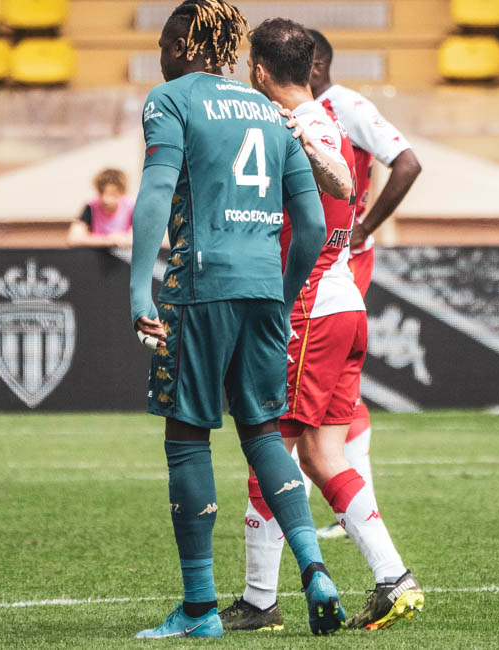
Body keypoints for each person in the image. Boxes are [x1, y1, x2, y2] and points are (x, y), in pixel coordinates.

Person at [128, 0, 345, 639]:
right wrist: (283, 294)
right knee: (262, 433)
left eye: (163, 45)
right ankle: (314, 568)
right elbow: (312, 224)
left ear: (180, 44)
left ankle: (200, 610)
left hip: (199, 286)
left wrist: (139, 292)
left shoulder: (170, 100)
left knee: (187, 437)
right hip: (263, 288)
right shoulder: (271, 111)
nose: (160, 58)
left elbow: (155, 192)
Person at [219, 18, 424, 633]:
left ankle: (260, 601)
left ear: (259, 72)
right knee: (320, 453)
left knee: (268, 451)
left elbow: (293, 222)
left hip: (308, 309)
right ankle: (393, 577)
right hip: (344, 302)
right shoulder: (328, 120)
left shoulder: (292, 130)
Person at [307, 27, 422, 540]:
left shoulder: (345, 106)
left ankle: (334, 503)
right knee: (332, 388)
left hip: (342, 258)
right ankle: (346, 505)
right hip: (317, 256)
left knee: (325, 380)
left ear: (315, 64)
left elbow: (408, 162)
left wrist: (365, 227)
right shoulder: (307, 111)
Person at [67, 168, 134, 248]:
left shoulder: (131, 207)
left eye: (112, 194)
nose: (106, 199)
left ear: (122, 193)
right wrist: (109, 240)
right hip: (98, 252)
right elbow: (74, 238)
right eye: (101, 193)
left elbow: (135, 239)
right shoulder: (91, 207)